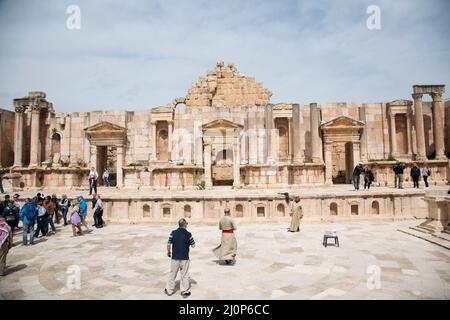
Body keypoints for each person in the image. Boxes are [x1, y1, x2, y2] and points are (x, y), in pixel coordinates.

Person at [165, 218, 195, 298]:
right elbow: (193, 245)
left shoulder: (173, 233)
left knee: (172, 274)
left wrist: (168, 252)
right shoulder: (188, 234)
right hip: (184, 258)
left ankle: (169, 290)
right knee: (184, 275)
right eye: (187, 224)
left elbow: (168, 243)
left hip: (175, 257)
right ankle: (184, 291)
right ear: (185, 225)